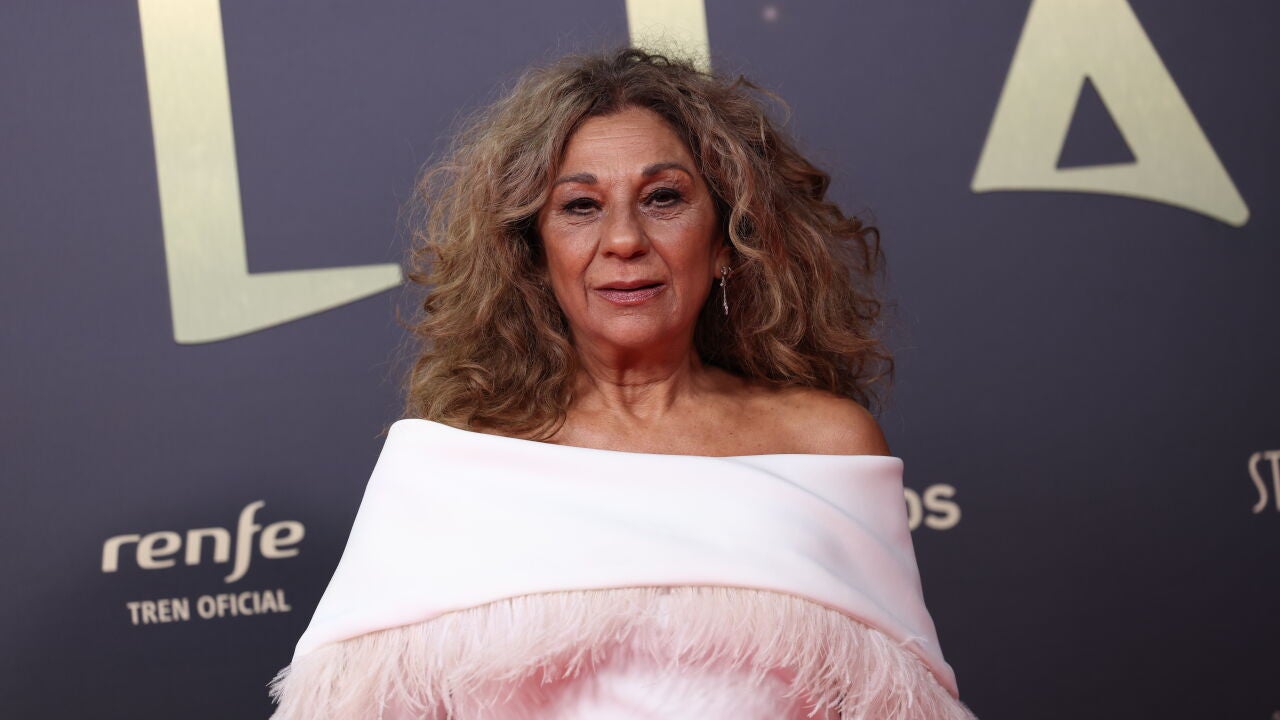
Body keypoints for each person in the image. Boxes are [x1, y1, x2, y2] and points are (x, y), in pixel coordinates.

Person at [269, 48, 978, 719]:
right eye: (580, 206)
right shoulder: (450, 465)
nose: (624, 240)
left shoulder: (826, 445)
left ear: (729, 239)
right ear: (533, 254)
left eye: (663, 198)